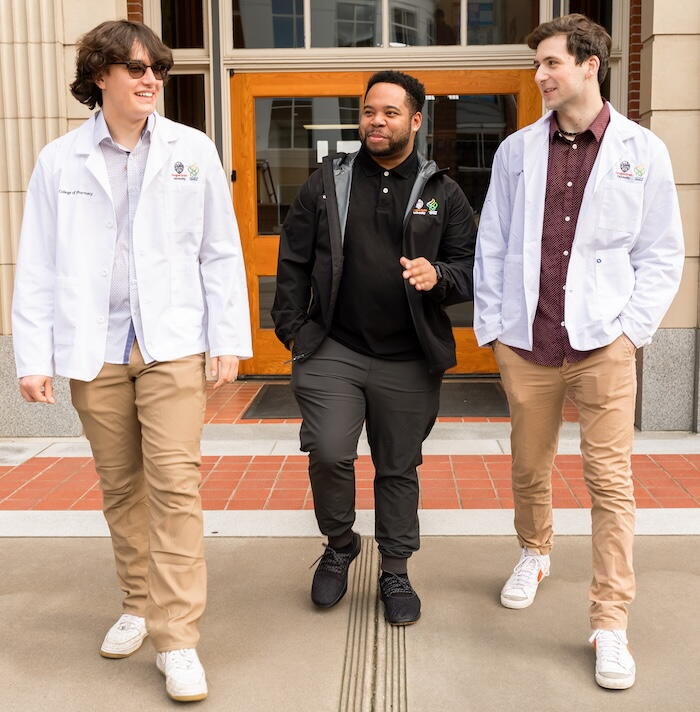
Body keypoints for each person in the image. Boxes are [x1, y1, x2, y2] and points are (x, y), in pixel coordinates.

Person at [12, 20, 251, 702]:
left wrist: (229, 338)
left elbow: (219, 250)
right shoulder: (60, 160)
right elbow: (37, 265)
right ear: (99, 77)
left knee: (175, 486)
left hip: (171, 344)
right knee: (122, 490)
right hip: (95, 349)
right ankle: (137, 603)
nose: (150, 80)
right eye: (135, 68)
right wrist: (34, 357)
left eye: (157, 70)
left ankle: (177, 639)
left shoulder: (191, 148)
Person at [473, 14, 684, 690]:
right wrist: (496, 332)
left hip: (603, 347)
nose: (540, 75)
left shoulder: (642, 150)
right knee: (530, 466)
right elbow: (493, 246)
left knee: (610, 485)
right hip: (528, 342)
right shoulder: (516, 152)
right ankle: (535, 552)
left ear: (590, 65)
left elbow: (660, 255)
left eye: (551, 63)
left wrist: (631, 333)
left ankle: (609, 622)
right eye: (538, 64)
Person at [272, 71, 476, 625]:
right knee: (330, 451)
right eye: (368, 111)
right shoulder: (327, 183)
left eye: (389, 112)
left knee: (397, 465)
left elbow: (471, 267)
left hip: (409, 358)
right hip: (334, 346)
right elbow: (291, 257)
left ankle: (395, 568)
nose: (376, 121)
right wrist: (292, 328)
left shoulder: (443, 192)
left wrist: (440, 277)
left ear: (415, 120)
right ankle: (340, 545)